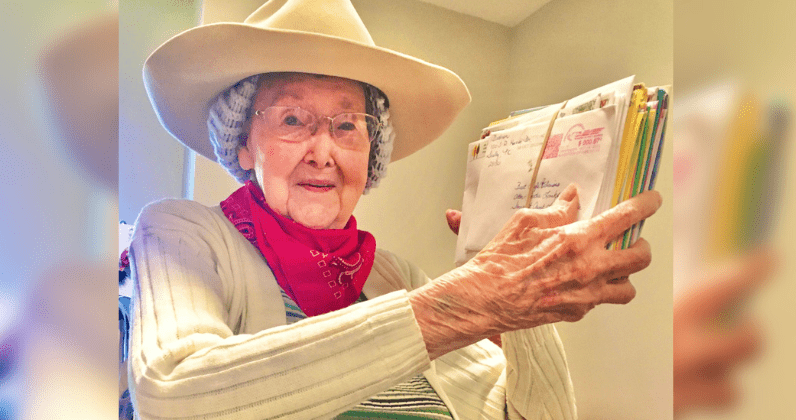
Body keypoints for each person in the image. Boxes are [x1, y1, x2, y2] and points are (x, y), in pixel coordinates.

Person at [127, 0, 661, 418]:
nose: (323, 152)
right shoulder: (183, 233)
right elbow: (172, 394)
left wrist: (520, 295)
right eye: (292, 119)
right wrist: (462, 305)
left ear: (371, 154)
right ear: (245, 144)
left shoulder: (395, 278)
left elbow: (527, 414)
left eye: (347, 125)